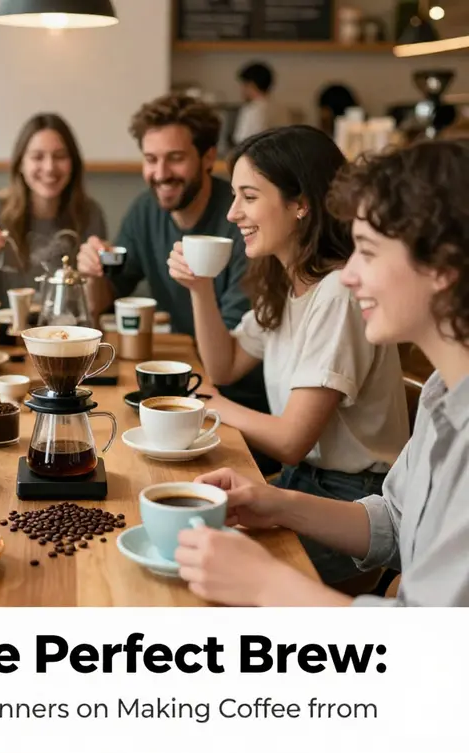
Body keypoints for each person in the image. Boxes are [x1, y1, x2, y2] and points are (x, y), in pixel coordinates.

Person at [160, 138, 469, 753]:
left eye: (369, 253)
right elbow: (390, 521)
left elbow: (423, 654)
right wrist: (275, 505)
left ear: (442, 266)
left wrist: (270, 584)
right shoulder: (447, 393)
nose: (350, 274)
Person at [167, 125, 408, 586]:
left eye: (249, 197)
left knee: (204, 572)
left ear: (301, 204)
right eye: (234, 196)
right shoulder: (284, 282)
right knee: (185, 537)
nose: (233, 213)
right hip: (301, 484)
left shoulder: (339, 291)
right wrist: (200, 288)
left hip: (351, 504)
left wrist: (208, 406)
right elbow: (225, 366)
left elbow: (292, 439)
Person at [78, 92, 270, 424]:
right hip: (185, 386)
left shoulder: (243, 220)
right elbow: (106, 298)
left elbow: (229, 359)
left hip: (244, 403)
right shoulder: (144, 210)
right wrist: (93, 271)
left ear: (208, 157)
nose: (161, 173)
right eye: (150, 159)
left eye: (175, 158)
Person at [0, 112, 106, 310]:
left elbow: (98, 304)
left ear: (73, 164)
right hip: (0, 335)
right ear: (21, 164)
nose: (50, 167)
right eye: (37, 157)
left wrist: (94, 272)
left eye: (60, 156)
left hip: (64, 333)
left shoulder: (89, 213)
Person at [232, 61, 275, 144]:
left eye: (244, 85)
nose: (242, 89)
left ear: (251, 85)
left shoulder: (251, 110)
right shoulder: (282, 109)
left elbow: (241, 141)